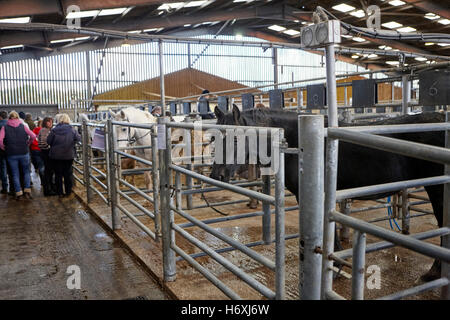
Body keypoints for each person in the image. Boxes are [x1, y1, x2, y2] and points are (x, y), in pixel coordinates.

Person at [0, 111, 36, 200]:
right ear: (17, 117)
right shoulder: (23, 126)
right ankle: (27, 191)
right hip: (24, 152)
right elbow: (33, 136)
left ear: (9, 117)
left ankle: (18, 193)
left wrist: (3, 147)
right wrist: (28, 143)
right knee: (26, 172)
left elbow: (0, 140)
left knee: (15, 174)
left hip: (11, 153)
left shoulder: (5, 127)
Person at [47, 114, 80, 198]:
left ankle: (60, 192)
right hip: (68, 155)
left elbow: (48, 141)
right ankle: (68, 191)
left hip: (56, 156)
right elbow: (78, 138)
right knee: (67, 173)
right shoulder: (72, 130)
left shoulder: (54, 130)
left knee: (58, 174)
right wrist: (72, 143)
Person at [38, 117, 56, 196]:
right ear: (45, 123)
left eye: (51, 122)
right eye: (49, 122)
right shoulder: (45, 130)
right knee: (48, 171)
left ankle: (50, 188)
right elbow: (44, 142)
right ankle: (48, 190)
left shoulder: (46, 130)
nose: (50, 123)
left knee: (49, 171)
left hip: (46, 152)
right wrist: (51, 146)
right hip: (46, 152)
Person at [30, 119, 45, 187]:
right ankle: (45, 181)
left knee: (40, 166)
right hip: (43, 150)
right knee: (43, 166)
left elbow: (32, 140)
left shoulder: (34, 131)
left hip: (35, 150)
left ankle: (42, 181)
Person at [0, 111, 8, 194]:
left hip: (1, 150)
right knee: (12, 169)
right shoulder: (11, 124)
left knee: (3, 168)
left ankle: (5, 187)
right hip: (11, 149)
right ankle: (13, 188)